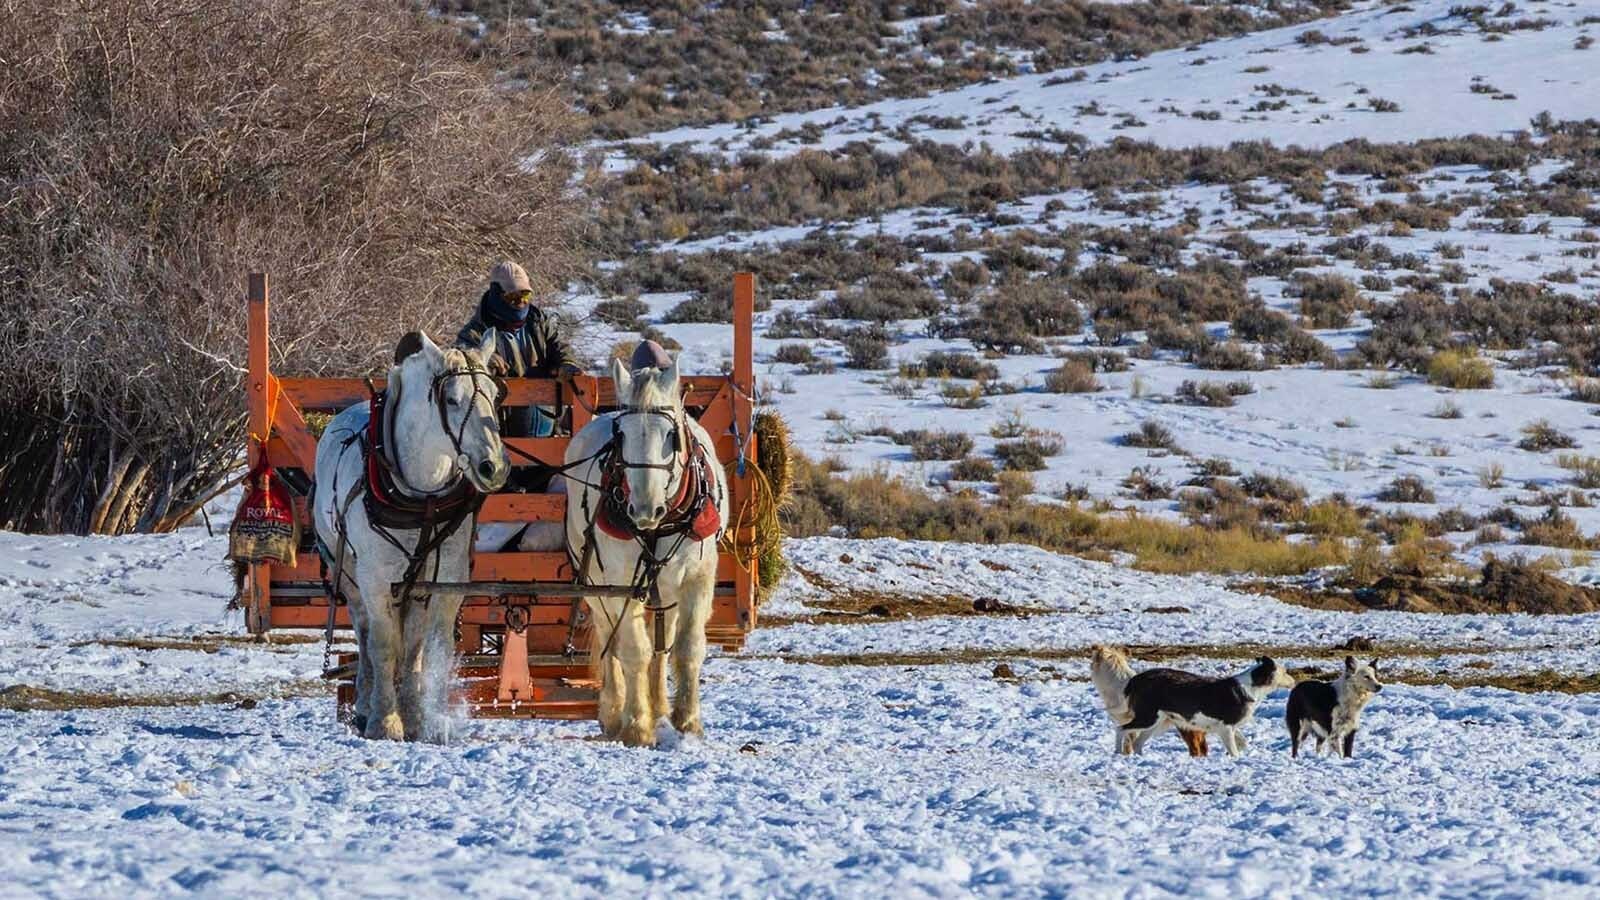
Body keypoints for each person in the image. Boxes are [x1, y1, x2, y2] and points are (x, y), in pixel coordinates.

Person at [456, 261, 578, 439]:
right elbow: (460, 357)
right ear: (497, 295)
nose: (521, 302)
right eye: (513, 297)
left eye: (525, 295)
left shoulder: (539, 323)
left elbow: (560, 347)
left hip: (550, 433)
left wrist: (567, 364)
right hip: (503, 438)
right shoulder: (476, 333)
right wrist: (481, 358)